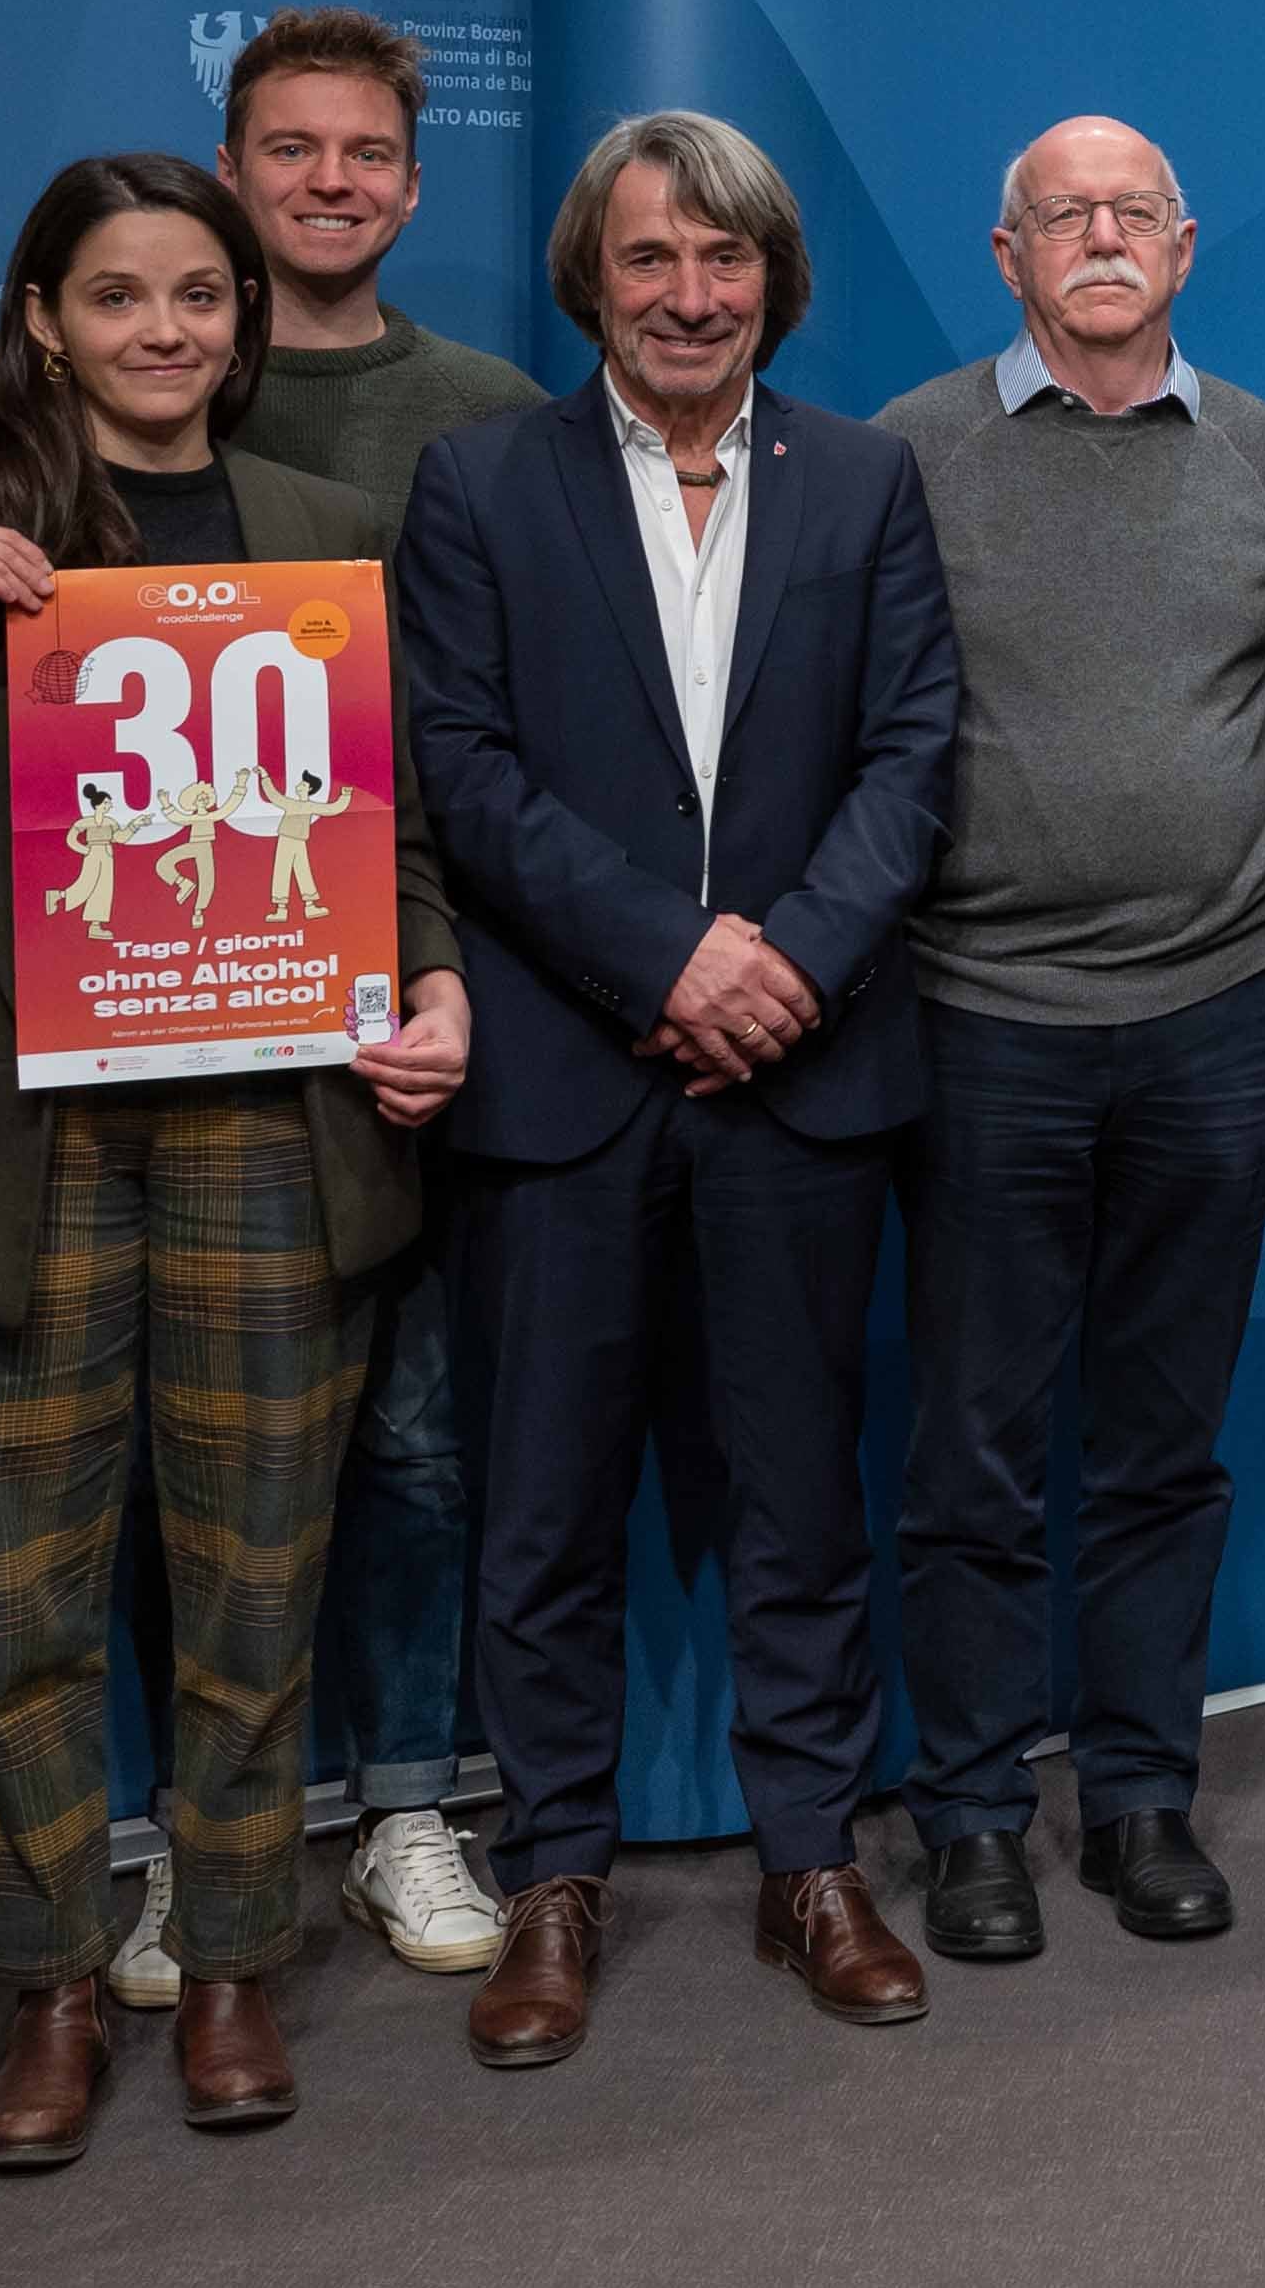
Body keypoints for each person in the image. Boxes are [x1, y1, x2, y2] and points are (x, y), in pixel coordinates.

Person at [0, 152, 473, 2169]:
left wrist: (434, 983)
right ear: (45, 319)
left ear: (245, 324)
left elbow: (388, 827)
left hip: (271, 1125)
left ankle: (233, 1961)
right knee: (23, 1601)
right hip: (27, 1150)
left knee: (256, 1579)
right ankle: (49, 1988)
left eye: (200, 298)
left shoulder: (326, 535)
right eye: (120, 297)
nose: (165, 332)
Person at [398, 111, 958, 2060]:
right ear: (593, 279)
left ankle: (811, 1859)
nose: (690, 296)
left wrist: (785, 959)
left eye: (723, 263)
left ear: (770, 283)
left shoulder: (869, 482)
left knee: (799, 1503)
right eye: (651, 261)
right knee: (541, 1509)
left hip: (800, 1078)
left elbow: (913, 757)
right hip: (562, 1081)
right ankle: (553, 1871)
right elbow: (456, 766)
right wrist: (664, 954)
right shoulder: (480, 483)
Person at [875, 119, 1265, 1957]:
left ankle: (1143, 1795)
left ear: (1190, 241)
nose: (1102, 235)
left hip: (1222, 1017)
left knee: (1161, 1439)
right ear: (1006, 255)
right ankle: (977, 1812)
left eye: (1135, 208)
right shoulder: (906, 456)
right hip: (985, 1023)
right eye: (1063, 214)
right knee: (973, 1444)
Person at [214, 7, 544, 1987]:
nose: (329, 183)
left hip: (416, 1005)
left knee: (416, 1432)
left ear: (412, 185)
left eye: (364, 155)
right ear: (234, 166)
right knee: (199, 1441)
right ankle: (207, 1825)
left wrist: (448, 974)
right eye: (289, 149)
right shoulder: (132, 381)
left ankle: (408, 1799)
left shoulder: (489, 408)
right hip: (181, 1002)